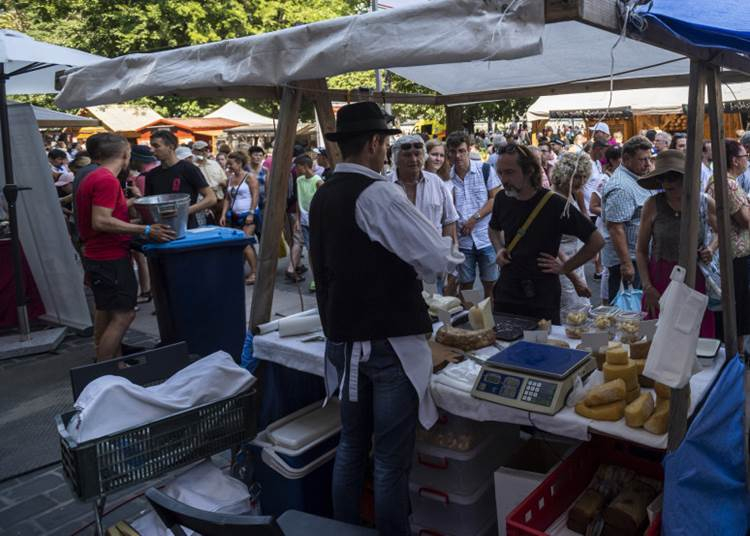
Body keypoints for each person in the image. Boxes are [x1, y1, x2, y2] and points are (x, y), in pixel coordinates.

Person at [309, 102, 463, 535]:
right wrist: (449, 257)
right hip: (387, 342)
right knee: (390, 460)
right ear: (376, 143)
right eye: (386, 143)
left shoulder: (323, 194)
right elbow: (435, 255)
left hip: (343, 337)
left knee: (351, 447)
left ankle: (346, 529)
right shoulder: (376, 193)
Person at [76, 134, 174, 360]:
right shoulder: (107, 180)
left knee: (108, 313)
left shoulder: (93, 176)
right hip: (109, 258)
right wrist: (146, 230)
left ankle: (112, 365)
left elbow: (103, 214)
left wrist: (131, 206)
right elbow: (101, 221)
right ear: (125, 154)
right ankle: (105, 370)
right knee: (124, 316)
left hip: (98, 255)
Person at [489, 144, 602, 322]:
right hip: (507, 290)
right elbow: (493, 228)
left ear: (529, 171)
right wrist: (498, 248)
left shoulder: (554, 204)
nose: (503, 179)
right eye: (500, 173)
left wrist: (566, 267)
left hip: (541, 294)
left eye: (510, 172)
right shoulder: (502, 199)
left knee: (543, 345)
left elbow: (596, 241)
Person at [635, 150, 717, 337]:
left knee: (695, 335)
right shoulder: (652, 204)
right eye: (663, 178)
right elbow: (640, 251)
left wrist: (711, 248)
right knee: (659, 337)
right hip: (660, 279)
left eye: (672, 177)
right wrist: (647, 287)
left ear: (684, 178)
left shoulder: (703, 202)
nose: (667, 182)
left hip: (695, 277)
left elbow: (721, 232)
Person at [389, 135, 459, 293]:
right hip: (397, 267)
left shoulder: (436, 183)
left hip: (432, 266)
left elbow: (449, 221)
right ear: (395, 159)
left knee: (435, 312)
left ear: (424, 156)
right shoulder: (385, 187)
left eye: (418, 154)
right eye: (407, 155)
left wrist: (449, 260)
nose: (414, 159)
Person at [446, 131, 501, 300]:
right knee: (466, 287)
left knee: (490, 285)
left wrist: (474, 218)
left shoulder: (484, 169)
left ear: (469, 149)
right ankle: (467, 323)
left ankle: (490, 322)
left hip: (485, 237)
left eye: (461, 151)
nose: (458, 156)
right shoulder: (447, 178)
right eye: (453, 151)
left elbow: (495, 198)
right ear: (448, 152)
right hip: (463, 242)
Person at [705, 140, 750, 348]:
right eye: (744, 156)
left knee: (734, 304)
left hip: (728, 252)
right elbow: (745, 219)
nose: (746, 160)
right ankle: (737, 352)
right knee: (737, 305)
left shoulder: (719, 180)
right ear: (734, 160)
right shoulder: (728, 183)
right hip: (734, 253)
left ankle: (735, 350)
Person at [601, 135, 654, 302]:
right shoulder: (621, 187)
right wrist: (626, 264)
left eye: (649, 159)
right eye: (643, 160)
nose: (647, 164)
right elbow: (615, 228)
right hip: (628, 260)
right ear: (626, 159)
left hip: (639, 258)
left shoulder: (637, 177)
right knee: (625, 312)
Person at [548, 152, 596, 309]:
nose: (581, 181)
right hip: (562, 266)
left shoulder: (571, 193)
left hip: (574, 261)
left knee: (578, 311)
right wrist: (574, 277)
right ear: (564, 174)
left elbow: (585, 221)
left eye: (584, 176)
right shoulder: (553, 199)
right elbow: (554, 245)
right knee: (570, 312)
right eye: (577, 176)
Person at [145, 130, 216, 228]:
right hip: (160, 232)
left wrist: (183, 211)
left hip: (188, 229)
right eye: (151, 146)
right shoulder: (151, 175)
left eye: (156, 146)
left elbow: (211, 198)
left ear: (171, 147)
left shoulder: (189, 169)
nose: (152, 150)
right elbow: (148, 206)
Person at [220, 151, 259, 285]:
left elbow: (255, 196)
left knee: (244, 243)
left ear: (240, 163)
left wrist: (251, 213)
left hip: (248, 216)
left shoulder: (250, 177)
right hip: (235, 216)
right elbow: (227, 198)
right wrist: (223, 214)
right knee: (243, 244)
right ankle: (249, 269)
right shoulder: (230, 178)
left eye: (231, 164)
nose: (228, 166)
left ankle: (255, 273)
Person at [128, 145, 160, 303]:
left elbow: (144, 203)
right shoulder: (158, 171)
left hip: (149, 223)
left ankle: (150, 291)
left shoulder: (142, 178)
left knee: (145, 258)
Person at [294, 155, 324, 292]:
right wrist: (297, 220)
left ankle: (323, 276)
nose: (296, 169)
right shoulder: (299, 180)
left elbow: (324, 202)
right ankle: (316, 278)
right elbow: (299, 200)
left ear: (305, 166)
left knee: (319, 250)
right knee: (310, 251)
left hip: (317, 221)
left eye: (297, 166)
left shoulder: (318, 181)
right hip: (305, 221)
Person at [192, 140, 227, 222]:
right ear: (194, 152)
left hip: (219, 200)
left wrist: (221, 183)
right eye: (200, 150)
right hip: (204, 203)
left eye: (205, 150)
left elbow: (224, 180)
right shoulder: (192, 167)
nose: (203, 152)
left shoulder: (214, 164)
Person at [247, 146, 269, 234]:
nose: (258, 157)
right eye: (255, 155)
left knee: (262, 230)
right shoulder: (245, 170)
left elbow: (267, 186)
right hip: (249, 202)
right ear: (250, 155)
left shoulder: (265, 170)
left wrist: (267, 198)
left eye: (260, 155)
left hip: (262, 202)